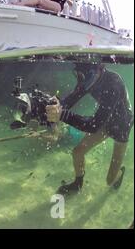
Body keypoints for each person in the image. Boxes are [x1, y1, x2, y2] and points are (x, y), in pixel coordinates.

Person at [46, 63, 134, 196]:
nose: (85, 83)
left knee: (110, 181)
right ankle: (78, 184)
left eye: (88, 77)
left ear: (101, 68)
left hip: (122, 125)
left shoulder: (113, 83)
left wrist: (61, 115)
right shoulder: (89, 78)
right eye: (80, 76)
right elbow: (69, 100)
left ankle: (120, 173)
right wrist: (56, 105)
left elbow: (94, 125)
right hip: (106, 121)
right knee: (77, 152)